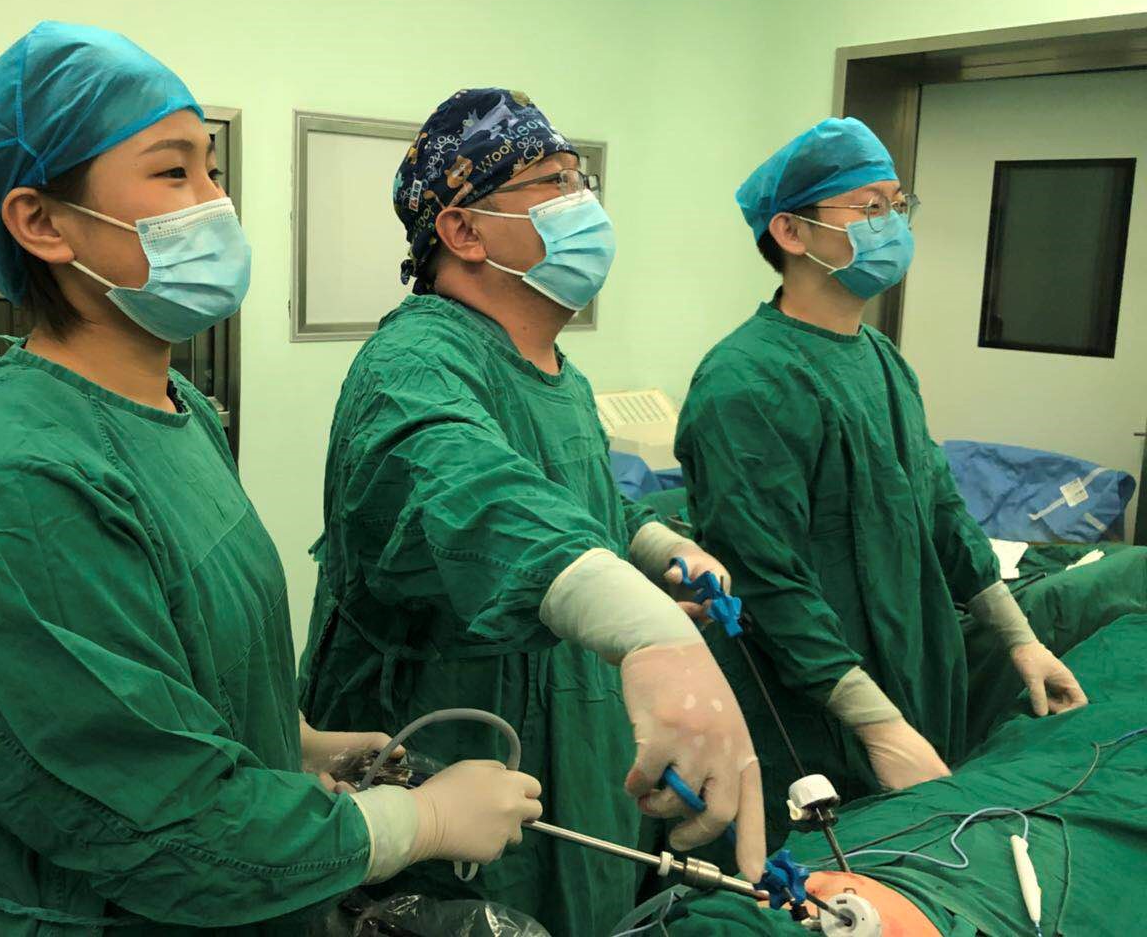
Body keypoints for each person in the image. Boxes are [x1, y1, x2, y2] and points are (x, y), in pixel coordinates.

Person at [0, 24, 542, 936]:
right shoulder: (19, 481)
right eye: (173, 172)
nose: (216, 203)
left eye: (212, 170)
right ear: (42, 222)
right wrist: (412, 823)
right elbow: (145, 816)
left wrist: (289, 741)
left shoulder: (177, 407)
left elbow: (177, 655)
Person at [298, 88, 766, 935]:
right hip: (453, 763)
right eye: (553, 183)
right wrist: (652, 632)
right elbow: (476, 499)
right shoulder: (412, 364)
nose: (583, 202)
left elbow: (575, 501)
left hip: (578, 752)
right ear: (463, 230)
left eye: (580, 179)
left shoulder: (560, 373)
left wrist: (649, 546)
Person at [674, 117, 1088, 849]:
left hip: (915, 682)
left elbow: (941, 509)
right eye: (869, 208)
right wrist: (876, 722)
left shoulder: (883, 360)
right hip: (814, 717)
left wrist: (1020, 640)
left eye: (899, 205)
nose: (892, 224)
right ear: (790, 232)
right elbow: (768, 580)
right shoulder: (744, 383)